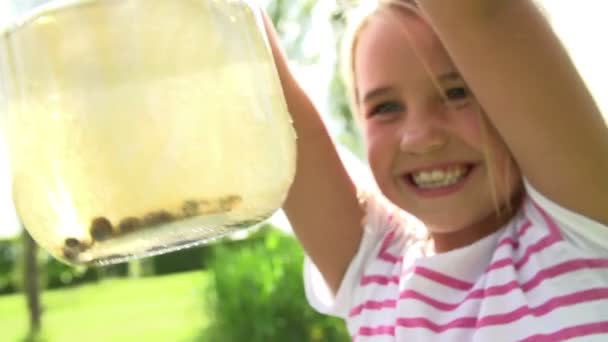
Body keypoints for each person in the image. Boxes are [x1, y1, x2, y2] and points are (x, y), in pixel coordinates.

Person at [262, 0, 608, 340]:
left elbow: (487, 15)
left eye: (457, 92)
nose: (421, 138)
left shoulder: (580, 231)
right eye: (386, 107)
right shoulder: (372, 269)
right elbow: (261, 88)